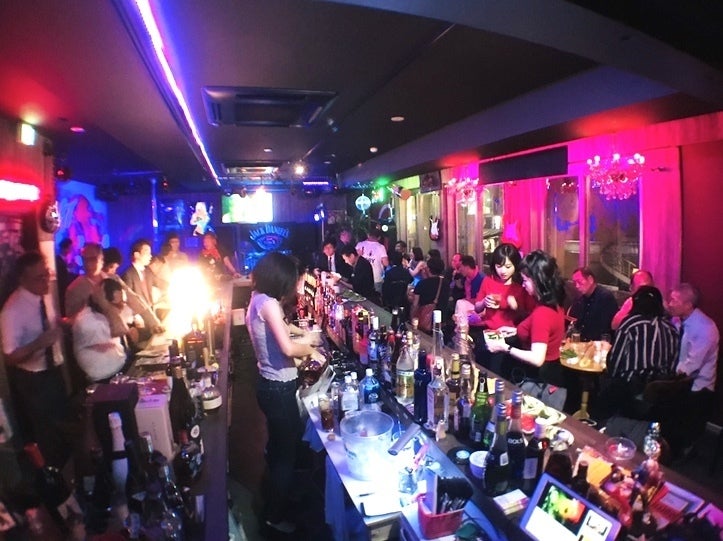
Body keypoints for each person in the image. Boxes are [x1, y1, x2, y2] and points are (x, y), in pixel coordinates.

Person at [246, 252, 325, 534]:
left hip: (270, 386)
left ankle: (279, 495)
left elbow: (281, 326)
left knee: (281, 448)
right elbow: (288, 348)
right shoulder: (268, 303)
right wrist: (311, 349)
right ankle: (274, 516)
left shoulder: (257, 298)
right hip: (278, 389)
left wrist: (302, 334)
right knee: (285, 455)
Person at [0, 251, 70, 467]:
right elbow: (10, 357)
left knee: (64, 423)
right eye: (39, 277)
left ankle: (71, 469)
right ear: (23, 279)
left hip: (54, 370)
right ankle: (55, 475)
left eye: (47, 274)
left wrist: (65, 323)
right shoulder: (12, 310)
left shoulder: (43, 295)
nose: (46, 280)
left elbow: (49, 322)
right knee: (47, 433)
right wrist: (38, 343)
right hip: (34, 381)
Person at [486, 250, 567, 390]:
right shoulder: (554, 304)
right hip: (551, 372)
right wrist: (515, 330)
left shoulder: (542, 313)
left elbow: (537, 358)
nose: (523, 285)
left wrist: (505, 347)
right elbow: (541, 331)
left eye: (525, 280)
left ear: (537, 280)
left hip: (538, 378)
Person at [595, 286, 679, 421]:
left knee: (598, 404)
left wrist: (609, 376)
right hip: (661, 393)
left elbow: (615, 361)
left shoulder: (630, 324)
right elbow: (673, 364)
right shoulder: (671, 329)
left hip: (631, 389)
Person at [666, 283, 719, 452]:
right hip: (681, 381)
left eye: (674, 300)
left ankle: (683, 452)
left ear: (688, 305)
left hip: (698, 388)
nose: (670, 304)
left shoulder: (705, 328)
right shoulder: (678, 321)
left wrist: (667, 378)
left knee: (686, 430)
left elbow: (692, 365)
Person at [66, 243, 162, 337]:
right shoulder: (75, 288)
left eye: (93, 259)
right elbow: (72, 322)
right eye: (85, 259)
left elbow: (134, 300)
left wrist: (153, 322)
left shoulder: (114, 279)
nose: (89, 263)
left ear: (101, 259)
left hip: (118, 335)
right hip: (94, 340)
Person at [72, 278, 136, 383]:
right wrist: (105, 304)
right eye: (117, 304)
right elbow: (120, 330)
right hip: (104, 379)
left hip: (122, 366)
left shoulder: (110, 311)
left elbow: (140, 308)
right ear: (103, 300)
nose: (121, 307)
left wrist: (126, 290)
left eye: (122, 302)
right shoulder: (86, 319)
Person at [568, 267, 618, 341]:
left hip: (600, 343)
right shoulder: (580, 299)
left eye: (579, 282)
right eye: (575, 283)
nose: (577, 286)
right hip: (582, 343)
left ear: (590, 279)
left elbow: (606, 328)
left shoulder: (605, 297)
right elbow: (575, 322)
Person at [411, 257, 450, 327]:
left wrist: (412, 318)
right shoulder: (446, 283)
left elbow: (415, 304)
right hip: (442, 320)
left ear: (428, 269)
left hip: (426, 321)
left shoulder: (422, 284)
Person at [355, 227, 388, 294]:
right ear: (379, 237)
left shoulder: (359, 245)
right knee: (377, 297)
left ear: (368, 235)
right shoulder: (381, 247)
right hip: (377, 277)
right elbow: (385, 263)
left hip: (362, 277)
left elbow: (353, 260)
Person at [55, 237, 77, 316]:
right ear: (65, 248)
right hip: (62, 291)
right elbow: (63, 277)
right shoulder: (58, 261)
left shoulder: (63, 260)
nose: (71, 250)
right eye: (70, 248)